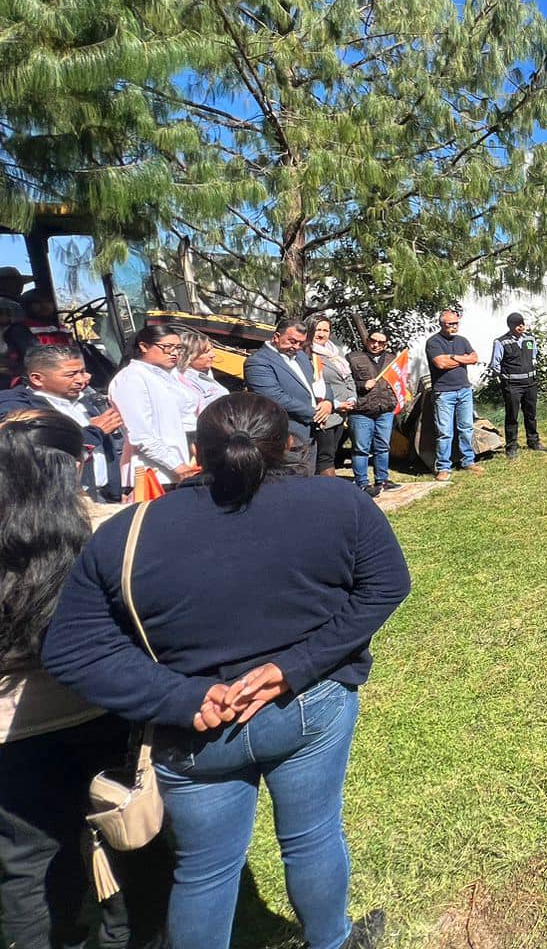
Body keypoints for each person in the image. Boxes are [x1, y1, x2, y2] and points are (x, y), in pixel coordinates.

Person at [42, 393, 411, 949]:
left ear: (199, 449)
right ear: (288, 444)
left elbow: (72, 648)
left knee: (205, 869)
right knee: (312, 837)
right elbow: (386, 585)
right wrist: (294, 668)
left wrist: (183, 698)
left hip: (195, 728)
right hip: (308, 706)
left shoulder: (127, 532)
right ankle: (332, 941)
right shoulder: (339, 502)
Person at [0, 410, 161, 949]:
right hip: (102, 711)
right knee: (126, 839)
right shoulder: (107, 530)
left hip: (12, 736)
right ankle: (127, 936)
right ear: (77, 464)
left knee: (27, 869)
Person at [0, 344, 126, 503]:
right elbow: (39, 453)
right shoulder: (17, 408)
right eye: (71, 375)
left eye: (82, 371)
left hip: (103, 496)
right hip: (59, 503)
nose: (81, 379)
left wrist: (116, 490)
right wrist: (94, 432)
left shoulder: (85, 400)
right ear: (37, 378)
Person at [110, 324, 201, 497]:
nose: (174, 353)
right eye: (167, 347)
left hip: (182, 467)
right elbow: (140, 434)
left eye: (178, 348)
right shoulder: (131, 378)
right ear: (144, 346)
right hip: (153, 473)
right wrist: (177, 466)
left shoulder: (168, 375)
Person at [243, 318, 325, 477]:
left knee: (307, 484)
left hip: (309, 435)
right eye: (292, 341)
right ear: (276, 337)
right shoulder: (257, 362)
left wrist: (327, 402)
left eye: (301, 343)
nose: (296, 347)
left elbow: (318, 381)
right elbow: (274, 397)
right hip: (285, 435)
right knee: (288, 486)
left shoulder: (300, 356)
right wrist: (314, 413)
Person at [427, 310, 482, 481]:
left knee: (466, 427)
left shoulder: (462, 340)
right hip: (444, 393)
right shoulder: (433, 342)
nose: (454, 326)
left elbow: (474, 358)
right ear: (442, 324)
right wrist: (461, 359)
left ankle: (468, 461)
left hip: (464, 390)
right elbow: (440, 364)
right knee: (444, 432)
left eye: (456, 323)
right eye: (450, 324)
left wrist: (452, 357)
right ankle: (444, 467)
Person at [347, 330, 400, 497]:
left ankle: (382, 479)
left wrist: (397, 400)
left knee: (383, 447)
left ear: (386, 344)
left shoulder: (392, 359)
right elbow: (344, 382)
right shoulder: (353, 358)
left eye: (381, 342)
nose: (376, 345)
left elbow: (400, 380)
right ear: (367, 340)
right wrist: (362, 385)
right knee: (361, 448)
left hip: (385, 409)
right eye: (373, 340)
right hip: (361, 410)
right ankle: (362, 483)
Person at [490, 313, 547, 458]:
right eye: (517, 324)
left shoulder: (530, 339)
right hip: (512, 385)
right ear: (510, 326)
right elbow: (495, 364)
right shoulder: (501, 342)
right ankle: (511, 447)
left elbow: (534, 356)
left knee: (531, 414)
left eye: (522, 323)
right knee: (512, 416)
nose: (521, 326)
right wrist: (506, 377)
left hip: (530, 383)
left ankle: (534, 441)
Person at [307, 316, 357, 477]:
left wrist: (351, 398)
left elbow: (347, 378)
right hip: (325, 413)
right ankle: (328, 493)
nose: (322, 334)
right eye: (318, 330)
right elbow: (312, 385)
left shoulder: (335, 352)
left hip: (341, 414)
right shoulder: (308, 354)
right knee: (324, 457)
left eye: (325, 330)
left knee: (332, 453)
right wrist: (335, 404)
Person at [173, 332, 229, 430]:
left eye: (212, 349)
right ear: (189, 356)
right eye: (206, 352)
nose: (213, 355)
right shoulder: (184, 381)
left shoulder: (205, 373)